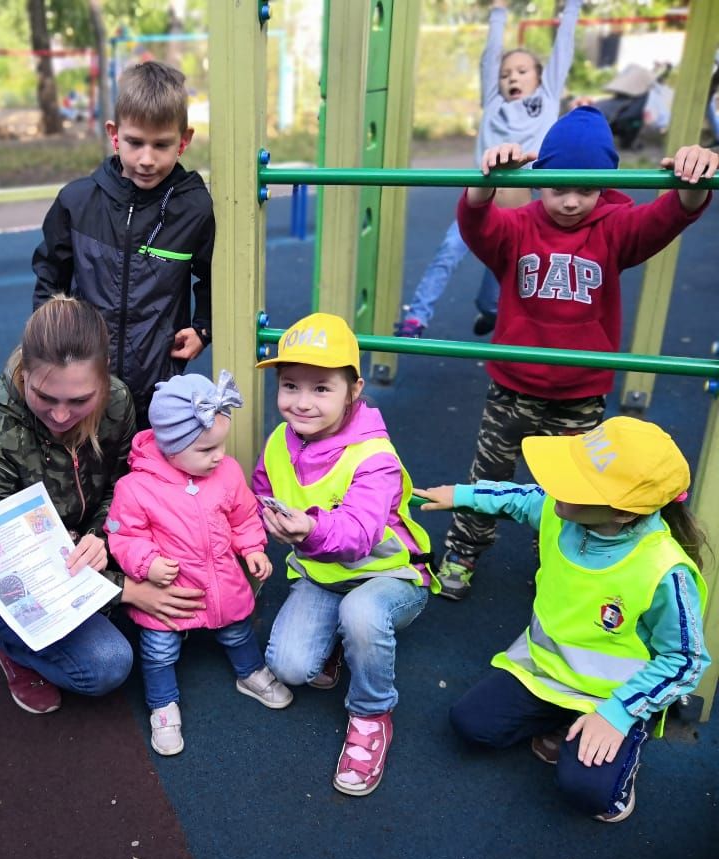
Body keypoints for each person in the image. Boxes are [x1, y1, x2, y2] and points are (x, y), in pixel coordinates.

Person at [434, 105, 718, 600]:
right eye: (558, 186)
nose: (569, 202)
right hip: (512, 389)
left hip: (579, 396)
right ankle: (464, 550)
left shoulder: (615, 228)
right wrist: (489, 178)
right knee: (488, 477)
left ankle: (563, 560)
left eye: (585, 189)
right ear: (540, 179)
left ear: (603, 186)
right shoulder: (519, 228)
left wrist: (695, 177)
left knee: (578, 489)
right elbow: (476, 223)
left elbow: (672, 214)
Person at [415, 417, 710, 822]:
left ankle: (618, 742)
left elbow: (686, 660)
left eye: (572, 482)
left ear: (622, 513)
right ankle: (560, 717)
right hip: (543, 672)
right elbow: (519, 498)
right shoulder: (562, 510)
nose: (554, 485)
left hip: (610, 696)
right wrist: (463, 495)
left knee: (590, 794)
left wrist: (618, 714)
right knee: (471, 726)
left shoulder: (663, 570)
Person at [0, 295, 208, 715]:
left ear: (104, 381)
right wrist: (124, 591)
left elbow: (125, 485)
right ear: (23, 373)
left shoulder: (117, 402)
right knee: (106, 666)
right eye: (45, 397)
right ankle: (14, 647)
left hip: (80, 546)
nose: (62, 415)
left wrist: (102, 535)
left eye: (80, 400)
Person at [253, 313, 436, 796]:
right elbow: (261, 491)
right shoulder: (279, 440)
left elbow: (357, 534)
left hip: (389, 579)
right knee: (291, 668)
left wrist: (308, 528)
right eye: (290, 385)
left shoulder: (374, 456)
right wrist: (258, 525)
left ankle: (372, 713)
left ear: (353, 389)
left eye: (321, 388)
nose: (301, 402)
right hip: (323, 577)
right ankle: (338, 637)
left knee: (361, 612)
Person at [105, 371, 291, 756]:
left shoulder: (226, 473)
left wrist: (253, 548)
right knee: (158, 648)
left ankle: (250, 673)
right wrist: (147, 565)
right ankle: (162, 704)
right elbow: (124, 537)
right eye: (206, 449)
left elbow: (242, 516)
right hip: (169, 590)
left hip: (222, 581)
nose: (219, 456)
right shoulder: (136, 487)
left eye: (220, 445)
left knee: (238, 630)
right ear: (171, 448)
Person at [32, 60, 215, 425]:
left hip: (158, 377)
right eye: (135, 143)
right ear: (115, 135)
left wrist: (203, 329)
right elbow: (50, 277)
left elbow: (211, 276)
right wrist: (49, 344)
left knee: (146, 470)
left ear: (184, 141)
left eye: (161, 145)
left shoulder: (193, 208)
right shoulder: (77, 202)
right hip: (87, 375)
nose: (146, 159)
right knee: (87, 465)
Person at [395, 0, 580, 339]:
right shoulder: (494, 103)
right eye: (506, 74)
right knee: (449, 250)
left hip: (525, 209)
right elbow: (489, 57)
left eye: (522, 71)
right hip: (482, 201)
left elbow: (563, 50)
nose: (513, 77)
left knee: (509, 267)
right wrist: (498, 12)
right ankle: (415, 319)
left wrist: (571, 8)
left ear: (539, 77)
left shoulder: (549, 96)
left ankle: (490, 309)